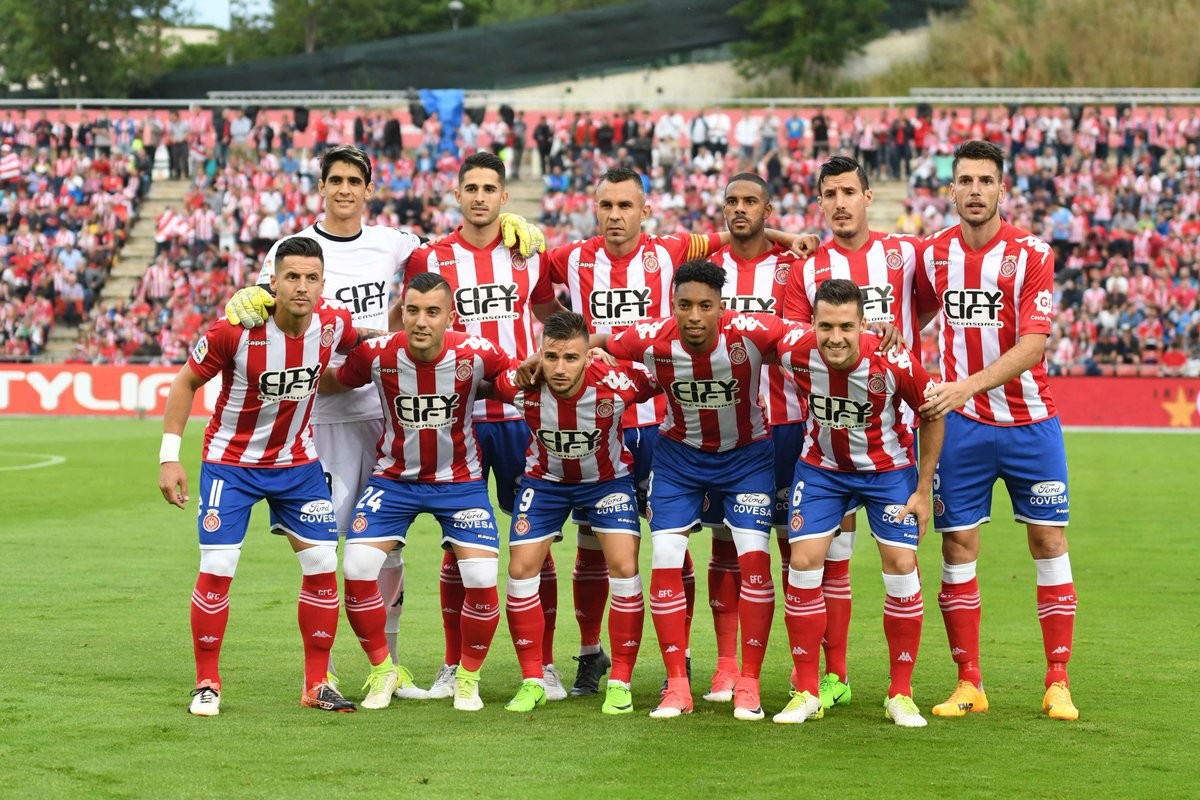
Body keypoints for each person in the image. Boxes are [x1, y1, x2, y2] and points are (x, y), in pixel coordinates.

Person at [223, 145, 543, 702]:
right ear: (320, 185)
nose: (345, 190)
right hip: (319, 414)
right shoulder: (290, 250)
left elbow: (448, 259)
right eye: (335, 180)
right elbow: (264, 309)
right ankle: (318, 671)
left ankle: (389, 664)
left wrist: (504, 224)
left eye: (355, 181)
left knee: (383, 549)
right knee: (322, 548)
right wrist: (246, 298)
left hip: (381, 413)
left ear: (369, 190)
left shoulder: (394, 243)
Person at [543, 166, 816, 698]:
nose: (616, 214)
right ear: (594, 208)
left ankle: (703, 661)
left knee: (728, 544)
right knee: (597, 542)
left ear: (645, 210)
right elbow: (545, 301)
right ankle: (593, 655)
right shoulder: (572, 257)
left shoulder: (673, 251)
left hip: (729, 433)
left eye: (627, 205)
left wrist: (787, 237)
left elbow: (744, 229)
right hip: (628, 424)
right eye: (607, 205)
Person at [158, 236, 360, 716]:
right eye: (292, 276)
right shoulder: (236, 328)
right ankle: (207, 682)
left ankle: (317, 684)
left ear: (323, 284)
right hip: (232, 465)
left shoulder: (333, 324)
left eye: (312, 278)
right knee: (220, 567)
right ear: (272, 280)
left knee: (321, 565)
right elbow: (185, 382)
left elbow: (361, 339)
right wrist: (169, 456)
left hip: (298, 466)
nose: (302, 287)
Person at [917, 139, 1080, 721]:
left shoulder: (1033, 253)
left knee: (1048, 542)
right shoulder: (933, 254)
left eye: (987, 180)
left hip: (1031, 422)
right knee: (958, 545)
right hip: (960, 429)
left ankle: (1057, 680)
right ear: (952, 188)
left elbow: (1034, 344)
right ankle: (969, 683)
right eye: (966, 180)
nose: (976, 190)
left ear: (1002, 189)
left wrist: (966, 384)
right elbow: (908, 317)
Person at [400, 151, 566, 702]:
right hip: (460, 417)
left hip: (522, 417)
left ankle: (541, 666)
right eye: (469, 187)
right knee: (457, 544)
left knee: (536, 543)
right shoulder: (431, 257)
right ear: (457, 195)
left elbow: (549, 317)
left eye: (488, 188)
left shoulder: (528, 254)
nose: (478, 197)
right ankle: (453, 664)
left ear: (503, 197)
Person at [595, 260, 793, 720]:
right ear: (672, 305)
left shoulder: (751, 331)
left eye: (706, 306)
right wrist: (590, 352)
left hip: (747, 456)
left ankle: (749, 683)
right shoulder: (650, 337)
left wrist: (876, 333)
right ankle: (677, 687)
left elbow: (814, 340)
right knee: (664, 557)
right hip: (679, 459)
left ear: (721, 307)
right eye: (685, 305)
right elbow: (600, 340)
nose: (695, 316)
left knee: (753, 558)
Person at [320, 272, 515, 712]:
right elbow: (337, 381)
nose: (421, 321)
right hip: (393, 482)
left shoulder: (478, 352)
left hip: (460, 484)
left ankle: (468, 678)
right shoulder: (376, 354)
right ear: (401, 312)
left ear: (451, 316)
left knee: (482, 577)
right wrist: (295, 381)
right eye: (412, 311)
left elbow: (518, 380)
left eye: (432, 312)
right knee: (355, 566)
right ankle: (384, 671)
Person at [781, 155, 931, 712]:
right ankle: (826, 680)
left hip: (890, 440)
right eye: (830, 194)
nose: (840, 202)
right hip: (822, 444)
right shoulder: (804, 266)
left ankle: (900, 692)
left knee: (898, 563)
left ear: (869, 197)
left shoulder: (905, 254)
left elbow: (928, 307)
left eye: (850, 191)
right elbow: (799, 337)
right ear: (819, 202)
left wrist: (889, 343)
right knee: (822, 559)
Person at [772, 278, 944, 727]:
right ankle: (808, 690)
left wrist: (923, 490)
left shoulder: (892, 359)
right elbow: (740, 330)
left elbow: (933, 412)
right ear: (811, 323)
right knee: (803, 561)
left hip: (887, 472)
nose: (835, 337)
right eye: (826, 326)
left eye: (846, 326)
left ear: (862, 324)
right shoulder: (794, 349)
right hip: (822, 468)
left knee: (902, 565)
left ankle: (901, 694)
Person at [491, 311, 658, 714]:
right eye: (551, 357)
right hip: (544, 484)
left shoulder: (618, 385)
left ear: (589, 357)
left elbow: (663, 370)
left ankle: (620, 681)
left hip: (608, 483)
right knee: (520, 570)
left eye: (571, 358)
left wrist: (613, 349)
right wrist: (524, 367)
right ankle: (533, 679)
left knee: (623, 566)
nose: (560, 368)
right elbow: (487, 382)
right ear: (539, 355)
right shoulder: (522, 386)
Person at [700, 173, 805, 703]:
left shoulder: (794, 267)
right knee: (725, 542)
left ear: (769, 208)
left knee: (795, 547)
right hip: (723, 428)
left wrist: (789, 239)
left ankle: (800, 667)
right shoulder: (704, 270)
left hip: (788, 424)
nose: (739, 210)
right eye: (732, 201)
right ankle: (724, 665)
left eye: (750, 202)